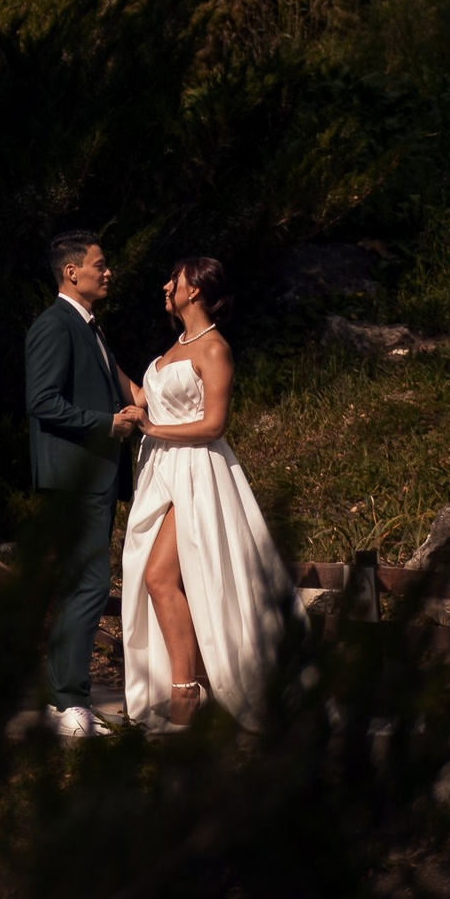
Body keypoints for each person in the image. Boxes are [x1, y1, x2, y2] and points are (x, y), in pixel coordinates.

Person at [118, 257, 294, 731]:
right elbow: (140, 397)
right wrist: (96, 351)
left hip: (198, 473)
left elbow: (215, 424)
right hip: (161, 472)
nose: (165, 285)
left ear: (194, 290)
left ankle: (185, 694)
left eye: (173, 279)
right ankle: (193, 682)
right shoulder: (174, 347)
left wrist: (153, 426)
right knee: (163, 576)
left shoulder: (214, 348)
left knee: (159, 576)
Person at [25, 228, 144, 739]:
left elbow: (117, 381)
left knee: (86, 583)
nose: (107, 270)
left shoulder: (91, 328)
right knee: (89, 584)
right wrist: (106, 424)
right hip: (74, 476)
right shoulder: (55, 326)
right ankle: (68, 701)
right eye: (100, 263)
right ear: (72, 272)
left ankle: (66, 698)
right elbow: (42, 402)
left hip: (93, 476)